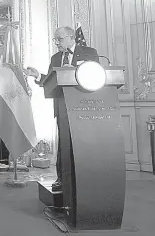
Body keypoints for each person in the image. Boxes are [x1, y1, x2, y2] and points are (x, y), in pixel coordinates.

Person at [25, 26, 99, 191]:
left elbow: (96, 75)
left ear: (71, 37)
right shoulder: (56, 58)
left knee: (85, 145)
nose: (56, 43)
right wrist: (38, 76)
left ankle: (86, 179)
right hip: (63, 108)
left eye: (59, 39)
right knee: (64, 145)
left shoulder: (89, 53)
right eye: (55, 39)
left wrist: (76, 72)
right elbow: (52, 81)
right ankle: (63, 180)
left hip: (85, 107)